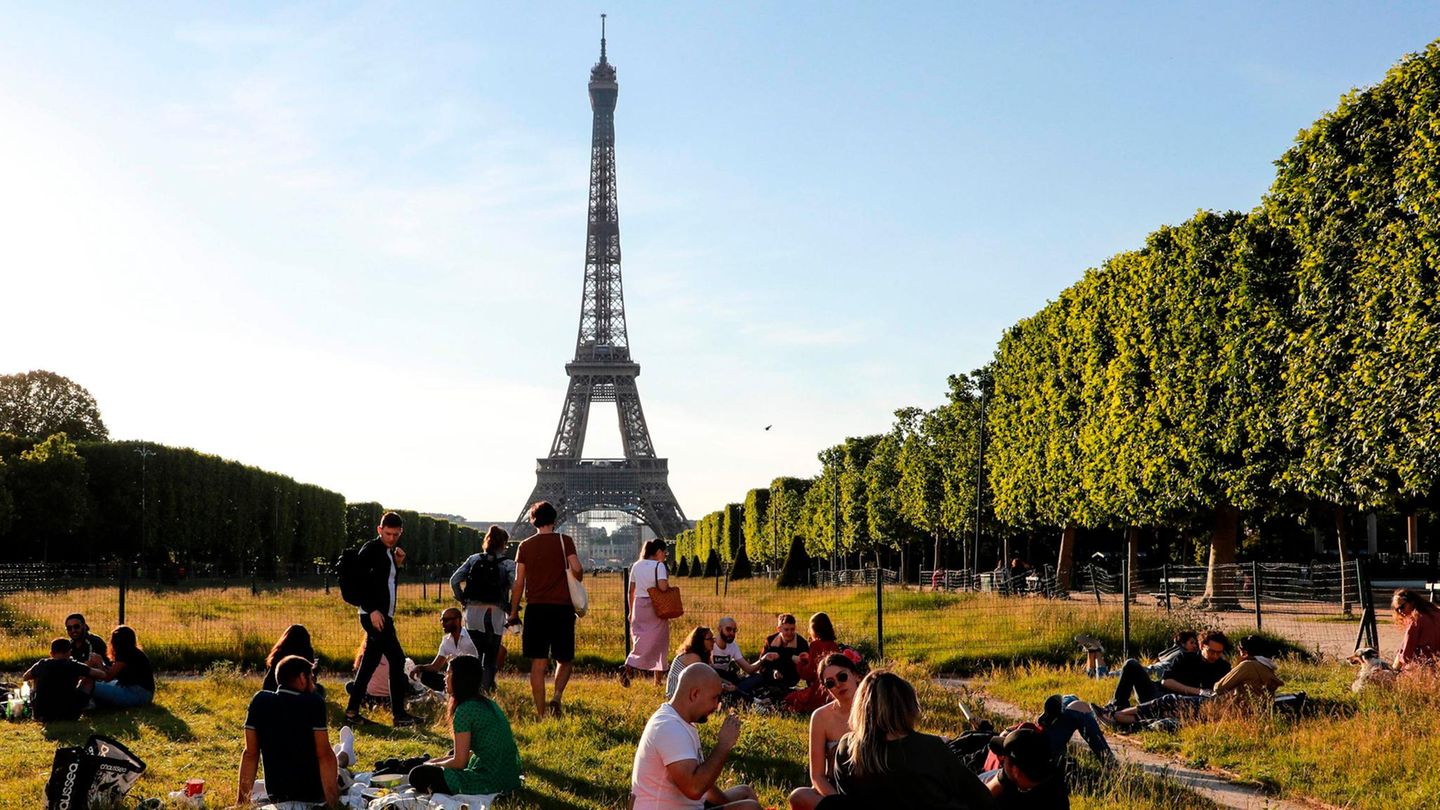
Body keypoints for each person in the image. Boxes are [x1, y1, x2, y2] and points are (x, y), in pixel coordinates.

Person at [819, 670, 995, 809]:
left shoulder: (847, 749)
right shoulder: (930, 748)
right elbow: (981, 797)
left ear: (861, 708)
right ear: (908, 706)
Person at [630, 662, 761, 809]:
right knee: (748, 808)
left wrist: (729, 804)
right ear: (695, 694)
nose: (716, 706)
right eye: (715, 698)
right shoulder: (669, 727)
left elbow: (704, 784)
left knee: (745, 793)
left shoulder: (682, 722)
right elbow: (694, 789)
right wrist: (724, 745)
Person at [508, 501, 584, 719]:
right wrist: (574, 574)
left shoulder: (525, 545)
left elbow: (518, 582)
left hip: (536, 610)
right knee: (565, 659)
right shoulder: (564, 541)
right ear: (554, 519)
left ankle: (541, 714)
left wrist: (513, 613)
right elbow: (577, 569)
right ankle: (557, 697)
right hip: (562, 609)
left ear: (532, 520)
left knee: (538, 663)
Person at [408, 656, 523, 799]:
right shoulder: (487, 703)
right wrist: (435, 762)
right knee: (451, 752)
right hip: (507, 776)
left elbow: (460, 762)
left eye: (448, 673)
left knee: (417, 775)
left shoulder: (464, 710)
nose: (444, 677)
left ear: (460, 678)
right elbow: (471, 751)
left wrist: (432, 765)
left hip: (490, 780)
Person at [344, 511, 420, 727]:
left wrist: (398, 564)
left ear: (401, 532)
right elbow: (359, 582)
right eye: (388, 534)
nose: (392, 538)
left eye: (396, 534)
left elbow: (383, 581)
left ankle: (352, 712)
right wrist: (372, 610)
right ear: (379, 530)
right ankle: (399, 715)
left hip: (382, 615)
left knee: (368, 665)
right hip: (375, 616)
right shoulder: (371, 550)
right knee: (396, 660)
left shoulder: (388, 552)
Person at [238, 655, 340, 807]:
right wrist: (334, 804)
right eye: (311, 678)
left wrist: (241, 804)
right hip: (312, 796)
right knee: (342, 771)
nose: (313, 683)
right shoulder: (313, 702)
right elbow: (324, 755)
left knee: (260, 785)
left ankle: (344, 753)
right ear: (302, 678)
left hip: (277, 795)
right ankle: (344, 753)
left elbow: (250, 754)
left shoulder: (260, 701)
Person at [786, 653, 863, 810]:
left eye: (842, 677)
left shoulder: (874, 709)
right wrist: (839, 802)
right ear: (826, 689)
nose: (838, 685)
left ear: (855, 675)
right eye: (830, 683)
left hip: (869, 788)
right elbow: (817, 776)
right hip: (833, 790)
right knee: (798, 796)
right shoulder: (821, 717)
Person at [451, 524, 514, 694]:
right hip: (496, 613)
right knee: (491, 658)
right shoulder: (508, 564)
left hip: (473, 613)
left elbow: (454, 580)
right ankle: (485, 691)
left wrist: (463, 598)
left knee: (476, 655)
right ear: (503, 544)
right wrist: (512, 608)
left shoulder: (474, 559)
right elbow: (516, 587)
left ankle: (473, 690)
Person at [1103, 630, 1225, 710]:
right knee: (1131, 664)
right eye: (1211, 651)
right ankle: (1116, 707)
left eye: (1218, 653)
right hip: (1158, 694)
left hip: (1178, 704)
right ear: (1202, 646)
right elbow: (1166, 682)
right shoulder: (1185, 658)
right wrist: (1198, 691)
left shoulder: (1222, 667)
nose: (1214, 656)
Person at [623, 538, 674, 687]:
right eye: (665, 552)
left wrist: (631, 611)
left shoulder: (636, 565)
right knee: (660, 643)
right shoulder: (659, 566)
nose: (665, 555)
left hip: (639, 606)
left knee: (640, 642)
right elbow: (663, 588)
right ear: (658, 552)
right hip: (655, 607)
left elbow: (630, 591)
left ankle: (628, 666)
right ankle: (657, 681)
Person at [23, 638, 107, 722]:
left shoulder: (42, 664)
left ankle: (37, 712)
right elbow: (102, 675)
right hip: (69, 714)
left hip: (43, 714)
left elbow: (25, 676)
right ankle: (87, 706)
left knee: (35, 676)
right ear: (69, 652)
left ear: (51, 653)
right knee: (89, 678)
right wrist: (98, 663)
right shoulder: (74, 665)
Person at [984, 726, 1069, 809]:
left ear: (1016, 771)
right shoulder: (1054, 778)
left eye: (1004, 758)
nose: (1001, 760)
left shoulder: (1054, 792)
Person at [1076, 629, 1196, 680]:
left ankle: (1093, 651)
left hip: (1148, 670)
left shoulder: (1177, 652)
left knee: (1099, 677)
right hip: (1149, 671)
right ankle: (1097, 652)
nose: (1195, 646)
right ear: (1182, 643)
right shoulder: (1182, 653)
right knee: (1104, 677)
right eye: (1192, 643)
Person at [738, 614, 810, 697]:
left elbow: (806, 667)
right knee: (750, 683)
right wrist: (773, 671)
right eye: (786, 630)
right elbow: (762, 665)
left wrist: (783, 658)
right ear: (779, 629)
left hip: (790, 677)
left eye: (792, 629)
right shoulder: (770, 640)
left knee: (776, 691)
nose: (790, 633)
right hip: (769, 676)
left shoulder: (802, 643)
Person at [411, 608, 481, 693]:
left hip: (468, 679)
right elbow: (435, 667)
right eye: (441, 620)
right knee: (425, 676)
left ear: (457, 620)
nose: (442, 623)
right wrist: (419, 667)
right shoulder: (446, 641)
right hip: (452, 679)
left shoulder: (469, 639)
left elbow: (475, 668)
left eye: (446, 620)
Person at [783, 613, 841, 713]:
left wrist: (800, 663)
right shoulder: (834, 645)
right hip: (833, 690)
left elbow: (809, 674)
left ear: (814, 630)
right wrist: (808, 659)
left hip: (819, 691)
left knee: (789, 698)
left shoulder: (815, 645)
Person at [91, 625, 155, 708]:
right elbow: (112, 673)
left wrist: (99, 661)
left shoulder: (125, 653)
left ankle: (87, 705)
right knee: (100, 684)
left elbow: (107, 677)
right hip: (144, 694)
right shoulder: (133, 652)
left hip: (136, 694)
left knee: (91, 685)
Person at [711, 617, 778, 692]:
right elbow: (706, 673)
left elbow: (749, 669)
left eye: (734, 630)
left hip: (728, 681)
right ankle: (737, 692)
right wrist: (724, 682)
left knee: (758, 677)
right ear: (719, 629)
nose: (732, 633)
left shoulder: (733, 646)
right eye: (728, 629)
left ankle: (736, 691)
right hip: (712, 680)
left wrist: (764, 658)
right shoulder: (710, 645)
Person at [1210, 635, 1283, 699]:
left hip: (1244, 709)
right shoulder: (1267, 666)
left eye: (1239, 651)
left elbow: (1219, 688)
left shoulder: (1247, 666)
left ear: (1244, 652)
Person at [666, 627, 726, 700]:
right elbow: (706, 679)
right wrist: (724, 686)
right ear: (700, 641)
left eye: (713, 638)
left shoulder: (701, 654)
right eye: (709, 639)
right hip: (676, 696)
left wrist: (727, 683)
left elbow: (711, 674)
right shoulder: (693, 657)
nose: (713, 641)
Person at [262, 624, 323, 696]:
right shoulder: (306, 654)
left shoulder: (278, 653)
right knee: (320, 689)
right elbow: (310, 682)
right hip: (298, 693)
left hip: (273, 691)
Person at [1391, 588, 1440, 670]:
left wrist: (1396, 668)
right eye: (1397, 609)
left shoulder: (1415, 620)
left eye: (1402, 607)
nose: (1400, 611)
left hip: (1424, 664)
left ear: (1412, 602)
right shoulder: (1436, 613)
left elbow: (1407, 649)